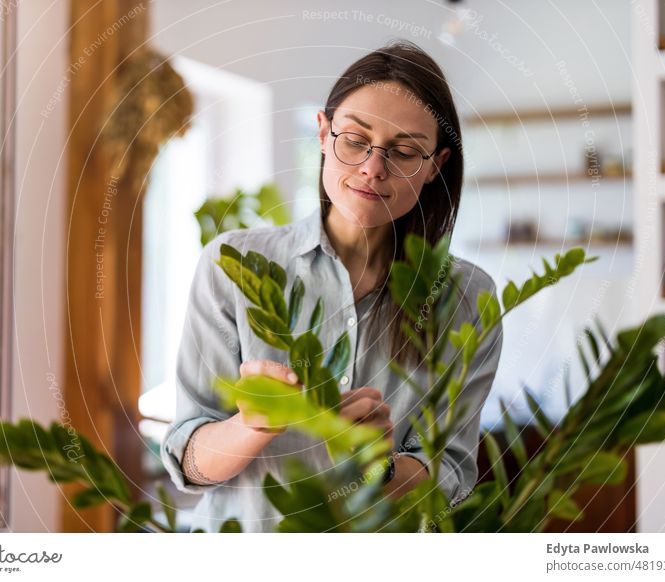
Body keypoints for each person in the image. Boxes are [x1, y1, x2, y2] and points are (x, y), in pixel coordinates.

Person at [161, 40, 503, 533]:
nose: (372, 168)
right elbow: (188, 460)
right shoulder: (236, 265)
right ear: (323, 133)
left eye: (405, 151)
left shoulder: (467, 299)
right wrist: (252, 425)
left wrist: (378, 465)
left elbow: (449, 476)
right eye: (354, 140)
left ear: (435, 165)